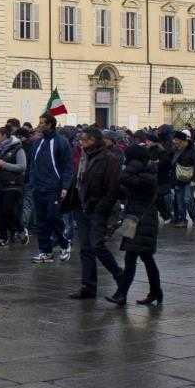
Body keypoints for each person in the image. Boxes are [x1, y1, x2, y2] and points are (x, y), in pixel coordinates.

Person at [69, 126, 123, 300]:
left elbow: (112, 188)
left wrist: (101, 207)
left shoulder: (109, 159)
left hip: (97, 208)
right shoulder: (84, 157)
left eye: (84, 140)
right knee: (85, 248)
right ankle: (88, 286)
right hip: (82, 206)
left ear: (93, 140)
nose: (81, 143)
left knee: (97, 246)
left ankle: (120, 276)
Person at [109, 143, 162, 306]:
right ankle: (153, 292)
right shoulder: (144, 173)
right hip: (133, 218)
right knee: (138, 257)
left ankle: (123, 294)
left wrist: (132, 166)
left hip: (142, 220)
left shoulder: (146, 174)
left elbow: (123, 178)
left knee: (138, 257)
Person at [28, 114, 74, 263]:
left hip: (54, 187)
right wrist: (31, 182)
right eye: (39, 122)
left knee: (53, 218)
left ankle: (64, 243)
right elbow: (32, 165)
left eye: (42, 123)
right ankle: (45, 251)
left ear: (50, 125)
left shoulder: (61, 142)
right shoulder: (37, 142)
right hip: (38, 187)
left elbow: (68, 166)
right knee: (40, 221)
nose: (39, 125)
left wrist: (65, 187)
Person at [170, 129, 195, 227]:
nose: (175, 143)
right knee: (179, 200)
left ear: (183, 141)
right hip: (178, 178)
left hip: (190, 179)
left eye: (177, 141)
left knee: (187, 199)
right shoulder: (176, 149)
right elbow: (172, 164)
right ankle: (182, 220)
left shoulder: (193, 149)